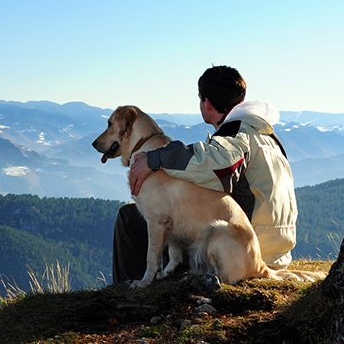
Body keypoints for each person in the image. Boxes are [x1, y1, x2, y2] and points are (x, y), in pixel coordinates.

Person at [112, 65, 298, 283]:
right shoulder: (266, 136)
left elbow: (217, 164)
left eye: (200, 99)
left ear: (206, 103)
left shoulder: (236, 135)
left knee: (133, 219)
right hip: (273, 250)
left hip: (241, 250)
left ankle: (133, 289)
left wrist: (155, 159)